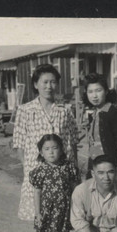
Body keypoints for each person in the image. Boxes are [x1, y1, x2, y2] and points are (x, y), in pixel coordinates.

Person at [13, 64, 79, 221]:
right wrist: (28, 168)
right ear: (36, 84)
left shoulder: (65, 111)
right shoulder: (25, 110)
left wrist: (73, 167)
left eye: (53, 82)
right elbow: (19, 144)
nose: (49, 86)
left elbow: (73, 141)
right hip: (37, 171)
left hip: (61, 171)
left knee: (63, 215)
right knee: (41, 216)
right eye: (45, 82)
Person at [29, 134, 80, 232]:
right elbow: (37, 193)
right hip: (48, 211)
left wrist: (76, 209)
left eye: (55, 148)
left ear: (61, 149)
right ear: (41, 152)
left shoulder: (68, 167)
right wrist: (38, 213)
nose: (51, 152)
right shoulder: (39, 171)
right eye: (46, 149)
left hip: (65, 210)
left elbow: (75, 189)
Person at [83, 73, 117, 186]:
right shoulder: (94, 113)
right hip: (93, 164)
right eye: (90, 92)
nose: (94, 96)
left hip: (108, 167)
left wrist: (112, 163)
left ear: (106, 91)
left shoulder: (113, 113)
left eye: (98, 90)